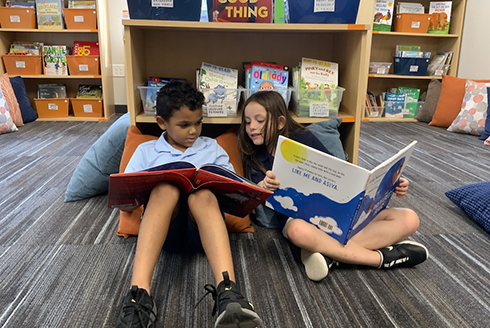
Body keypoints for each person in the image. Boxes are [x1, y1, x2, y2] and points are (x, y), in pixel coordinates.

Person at [238, 90, 428, 282]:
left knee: (410, 218)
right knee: (297, 231)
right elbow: (254, 198)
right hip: (302, 222)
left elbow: (339, 171)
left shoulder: (304, 139)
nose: (252, 127)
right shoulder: (255, 158)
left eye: (259, 120)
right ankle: (380, 258)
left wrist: (393, 184)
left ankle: (329, 254)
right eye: (247, 122)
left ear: (280, 122)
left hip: (342, 214)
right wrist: (263, 185)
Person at [116, 80, 262, 328]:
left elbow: (230, 190)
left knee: (201, 194)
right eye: (184, 125)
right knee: (166, 188)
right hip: (164, 234)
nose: (194, 131)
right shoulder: (145, 151)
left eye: (198, 123)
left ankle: (229, 292)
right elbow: (126, 205)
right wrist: (132, 198)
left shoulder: (212, 147)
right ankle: (138, 295)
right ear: (162, 123)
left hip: (204, 231)